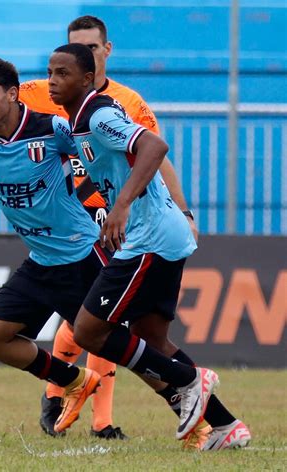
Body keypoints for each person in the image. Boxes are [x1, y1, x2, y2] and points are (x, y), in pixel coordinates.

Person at [0, 4, 219, 444]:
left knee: (119, 343)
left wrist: (152, 204)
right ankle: (75, 383)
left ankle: (201, 420)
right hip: (41, 262)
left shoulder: (54, 129)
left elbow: (132, 150)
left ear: (15, 94)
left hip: (82, 256)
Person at [46, 42, 251, 449]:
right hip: (161, 235)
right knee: (151, 338)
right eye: (50, 72)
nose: (52, 81)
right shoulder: (79, 120)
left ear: (87, 79)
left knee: (89, 330)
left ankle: (190, 379)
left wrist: (120, 207)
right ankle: (227, 427)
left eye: (62, 74)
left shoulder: (99, 114)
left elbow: (154, 146)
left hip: (150, 237)